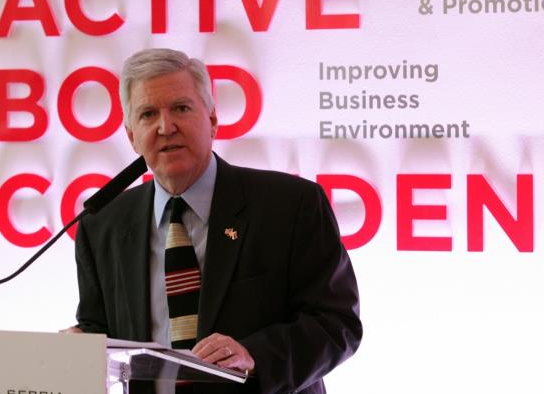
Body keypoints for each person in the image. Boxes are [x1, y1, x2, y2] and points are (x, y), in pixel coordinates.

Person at [71, 48, 362, 394]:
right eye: (148, 114)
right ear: (132, 136)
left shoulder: (291, 205)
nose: (166, 127)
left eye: (181, 108)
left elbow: (336, 323)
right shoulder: (101, 225)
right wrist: (75, 348)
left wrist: (255, 356)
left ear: (212, 120)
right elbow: (99, 332)